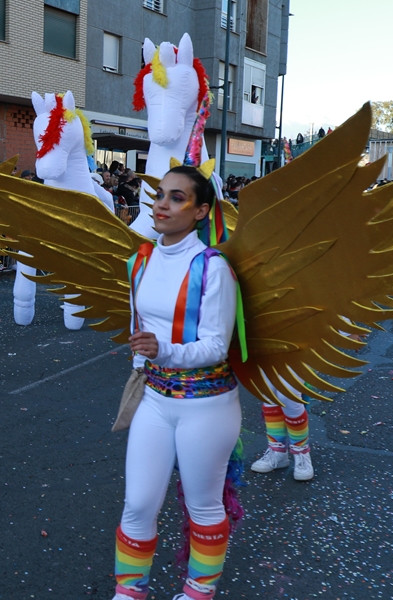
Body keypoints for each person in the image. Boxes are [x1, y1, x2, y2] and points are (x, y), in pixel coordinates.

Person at [113, 165, 241, 600]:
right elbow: (140, 325)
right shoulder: (141, 260)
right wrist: (143, 359)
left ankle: (197, 592)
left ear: (202, 210)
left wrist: (161, 351)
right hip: (154, 398)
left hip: (206, 407)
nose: (161, 204)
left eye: (176, 197)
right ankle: (130, 591)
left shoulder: (213, 267)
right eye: (159, 195)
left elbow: (216, 346)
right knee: (138, 503)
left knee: (203, 506)